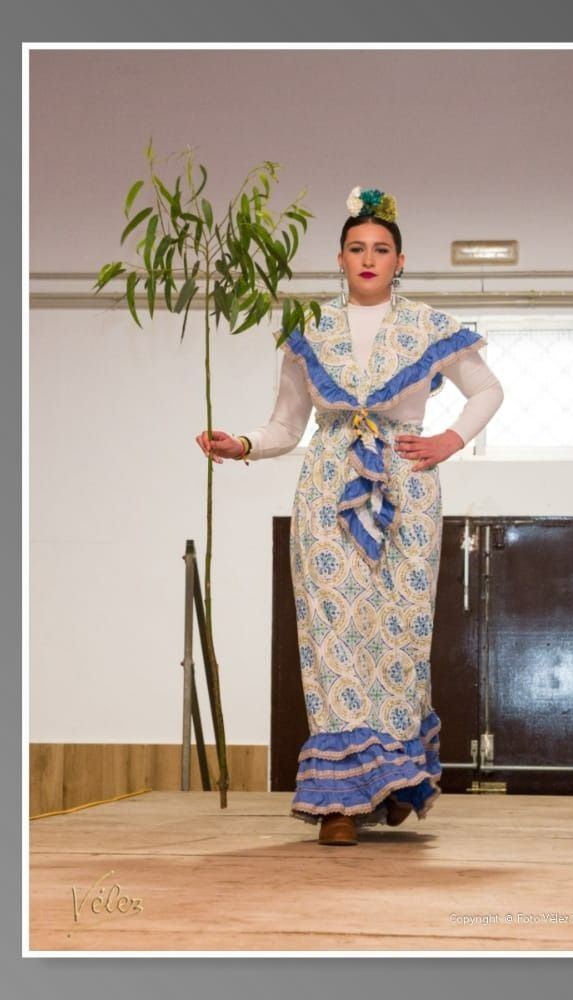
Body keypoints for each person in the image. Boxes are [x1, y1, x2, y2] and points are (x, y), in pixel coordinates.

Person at [195, 186, 504, 846]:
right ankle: (340, 803)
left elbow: (488, 389)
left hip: (408, 485)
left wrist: (450, 439)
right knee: (333, 634)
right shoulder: (309, 332)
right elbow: (286, 424)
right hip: (328, 487)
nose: (369, 258)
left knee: (398, 633)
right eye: (357, 248)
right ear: (339, 259)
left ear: (400, 261)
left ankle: (391, 781)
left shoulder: (428, 325)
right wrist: (242, 445)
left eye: (382, 249)